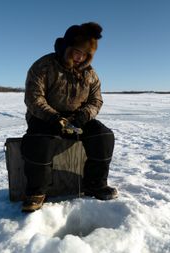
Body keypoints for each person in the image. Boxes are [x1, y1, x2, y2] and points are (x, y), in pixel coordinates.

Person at [21, 22, 118, 212]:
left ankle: (95, 184)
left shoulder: (90, 73)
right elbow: (34, 98)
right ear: (67, 47)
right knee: (40, 141)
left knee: (103, 136)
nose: (80, 57)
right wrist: (53, 117)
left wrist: (84, 115)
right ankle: (36, 191)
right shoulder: (44, 66)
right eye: (77, 51)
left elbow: (96, 100)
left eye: (85, 54)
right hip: (44, 117)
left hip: (76, 119)